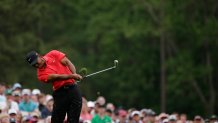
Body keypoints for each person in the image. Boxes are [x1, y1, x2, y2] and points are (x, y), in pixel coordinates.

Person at [25, 50, 83, 123]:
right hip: (60, 94)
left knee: (73, 119)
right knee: (56, 120)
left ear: (39, 56)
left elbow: (67, 62)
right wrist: (72, 76)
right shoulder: (40, 75)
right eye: (33, 65)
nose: (36, 65)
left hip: (73, 89)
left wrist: (75, 74)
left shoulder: (53, 54)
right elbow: (57, 77)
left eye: (36, 62)